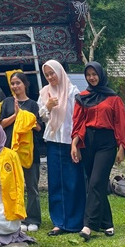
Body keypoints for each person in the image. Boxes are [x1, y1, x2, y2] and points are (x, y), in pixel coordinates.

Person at [71, 62, 125, 241]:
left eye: (94, 74)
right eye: (88, 75)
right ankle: (107, 223)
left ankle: (88, 225)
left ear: (101, 74)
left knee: (96, 182)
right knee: (95, 183)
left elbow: (120, 123)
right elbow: (78, 123)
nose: (91, 77)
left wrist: (122, 147)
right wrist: (74, 144)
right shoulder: (82, 98)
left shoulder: (113, 98)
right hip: (88, 142)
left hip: (107, 143)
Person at [38, 59, 85, 235]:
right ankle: (58, 221)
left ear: (59, 72)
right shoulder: (45, 92)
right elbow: (41, 116)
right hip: (53, 141)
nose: (50, 77)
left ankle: (74, 222)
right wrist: (48, 106)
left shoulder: (72, 92)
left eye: (52, 73)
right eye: (47, 75)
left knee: (73, 181)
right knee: (56, 182)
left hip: (70, 142)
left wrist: (76, 143)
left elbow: (78, 119)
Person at [0, 70, 42, 232]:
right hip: (11, 150)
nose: (15, 86)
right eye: (12, 83)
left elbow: (39, 127)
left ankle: (33, 219)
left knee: (32, 186)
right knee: (14, 186)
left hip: (29, 151)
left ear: (25, 84)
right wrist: (16, 115)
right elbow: (1, 124)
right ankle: (18, 217)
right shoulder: (7, 102)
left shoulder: (33, 104)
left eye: (18, 83)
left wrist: (27, 119)